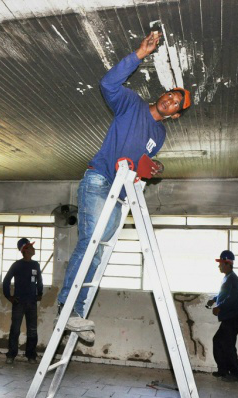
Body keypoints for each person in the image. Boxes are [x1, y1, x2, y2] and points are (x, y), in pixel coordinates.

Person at [56, 31, 191, 337]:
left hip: (120, 190)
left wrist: (151, 167)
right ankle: (68, 310)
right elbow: (107, 84)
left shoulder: (160, 135)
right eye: (171, 93)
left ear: (175, 115)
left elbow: (140, 161)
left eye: (176, 103)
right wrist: (139, 54)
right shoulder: (132, 104)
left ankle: (76, 313)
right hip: (99, 179)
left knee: (100, 248)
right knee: (90, 242)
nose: (170, 99)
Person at [3, 238, 43, 364]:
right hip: (19, 302)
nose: (33, 248)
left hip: (32, 302)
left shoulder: (35, 265)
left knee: (32, 330)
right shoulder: (17, 265)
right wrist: (9, 296)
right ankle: (11, 355)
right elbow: (6, 281)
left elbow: (39, 281)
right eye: (31, 247)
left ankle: (31, 355)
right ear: (25, 250)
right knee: (15, 329)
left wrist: (40, 293)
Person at [207, 250, 238, 382]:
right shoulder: (227, 277)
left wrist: (219, 307)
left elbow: (232, 298)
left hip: (233, 317)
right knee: (218, 341)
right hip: (229, 317)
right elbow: (224, 294)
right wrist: (214, 299)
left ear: (228, 263)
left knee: (228, 345)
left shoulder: (232, 278)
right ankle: (223, 370)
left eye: (221, 263)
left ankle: (236, 374)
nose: (219, 266)